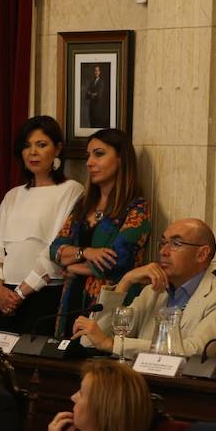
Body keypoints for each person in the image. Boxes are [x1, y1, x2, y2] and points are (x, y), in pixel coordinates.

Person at [73, 219, 216, 358]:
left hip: (188, 393)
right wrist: (126, 280)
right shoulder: (153, 291)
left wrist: (113, 344)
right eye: (162, 243)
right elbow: (92, 343)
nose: (163, 251)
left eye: (175, 244)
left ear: (202, 254)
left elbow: (196, 351)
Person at [0, 116, 84, 334]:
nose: (33, 152)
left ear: (57, 149)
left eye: (41, 145)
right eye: (27, 146)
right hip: (4, 296)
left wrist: (21, 293)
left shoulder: (71, 190)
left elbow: (56, 248)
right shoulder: (13, 195)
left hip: (43, 293)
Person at [50, 128, 150, 337]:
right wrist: (85, 253)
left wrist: (74, 268)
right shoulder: (84, 205)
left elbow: (116, 262)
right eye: (88, 156)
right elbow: (55, 250)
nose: (89, 162)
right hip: (71, 302)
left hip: (110, 306)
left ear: (121, 159)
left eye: (99, 154)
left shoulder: (136, 208)